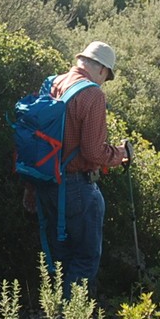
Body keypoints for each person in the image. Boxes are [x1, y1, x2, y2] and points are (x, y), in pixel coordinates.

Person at [27, 41, 131, 292]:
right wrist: (121, 154)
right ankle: (71, 314)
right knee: (84, 260)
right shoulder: (93, 95)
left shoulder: (52, 83)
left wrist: (30, 187)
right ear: (102, 70)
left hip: (45, 181)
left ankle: (53, 310)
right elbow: (93, 152)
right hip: (75, 186)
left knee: (59, 258)